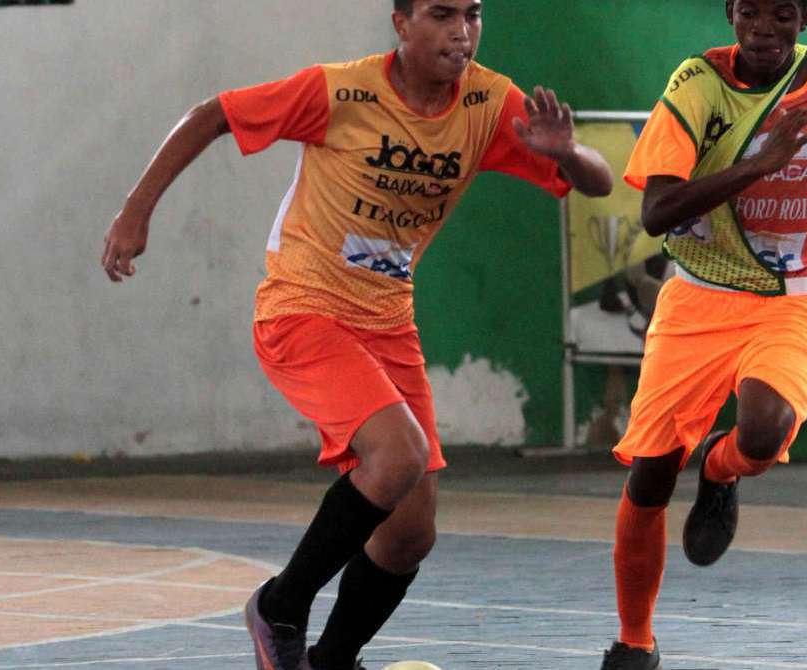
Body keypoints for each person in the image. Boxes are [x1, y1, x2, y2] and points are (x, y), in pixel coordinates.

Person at [101, 1, 613, 669]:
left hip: (388, 323)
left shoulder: (490, 103)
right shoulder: (339, 90)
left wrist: (567, 152)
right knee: (397, 457)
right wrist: (135, 211)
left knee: (409, 536)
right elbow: (213, 115)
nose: (462, 31)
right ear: (401, 24)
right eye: (441, 14)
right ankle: (279, 606)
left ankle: (331, 660)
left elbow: (596, 183)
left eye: (474, 14)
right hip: (303, 309)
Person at [600, 0, 807, 667]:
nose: (765, 30)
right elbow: (658, 210)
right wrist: (761, 162)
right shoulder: (697, 85)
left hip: (787, 300)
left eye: (783, 14)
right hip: (696, 301)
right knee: (653, 476)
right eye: (751, 12)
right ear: (731, 13)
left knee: (765, 430)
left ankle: (721, 469)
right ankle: (635, 644)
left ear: (805, 15)